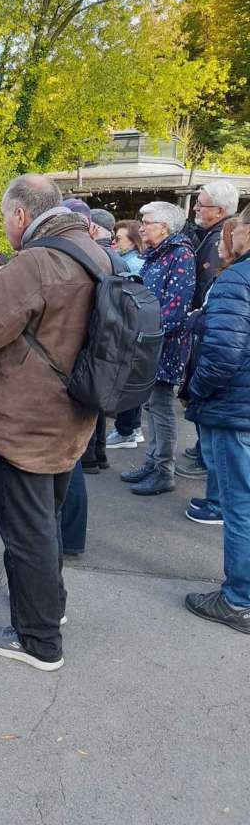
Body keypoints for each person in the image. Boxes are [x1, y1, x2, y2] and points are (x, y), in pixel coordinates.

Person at [0, 174, 113, 671]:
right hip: (71, 415)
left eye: (6, 217)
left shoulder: (35, 262)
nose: (6, 227)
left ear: (21, 215)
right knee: (45, 521)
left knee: (27, 532)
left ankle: (39, 640)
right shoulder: (92, 251)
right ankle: (50, 606)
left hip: (25, 424)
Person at [184, 204, 250, 634]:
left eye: (238, 227)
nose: (232, 233)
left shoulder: (237, 280)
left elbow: (224, 355)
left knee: (239, 505)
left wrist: (197, 389)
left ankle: (239, 600)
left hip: (235, 411)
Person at [121, 202, 195, 496]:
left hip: (163, 346)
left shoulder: (180, 254)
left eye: (146, 222)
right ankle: (153, 462)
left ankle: (163, 471)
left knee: (161, 407)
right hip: (150, 342)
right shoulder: (159, 253)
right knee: (152, 406)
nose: (141, 228)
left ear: (164, 227)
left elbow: (175, 310)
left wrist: (143, 334)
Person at [176, 181, 240, 482]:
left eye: (201, 205)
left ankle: (207, 458)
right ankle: (205, 454)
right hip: (207, 328)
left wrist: (197, 319)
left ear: (220, 210)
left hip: (209, 332)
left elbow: (211, 295)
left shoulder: (222, 239)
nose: (196, 209)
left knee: (208, 397)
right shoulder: (209, 235)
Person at [183, 216, 239, 525]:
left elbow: (225, 341)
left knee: (224, 453)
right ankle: (216, 500)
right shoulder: (227, 278)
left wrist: (199, 387)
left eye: (221, 241)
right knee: (219, 451)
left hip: (225, 389)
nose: (216, 246)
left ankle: (218, 505)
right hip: (225, 385)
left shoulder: (233, 281)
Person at [81, 209, 127, 474]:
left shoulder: (92, 257)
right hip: (115, 336)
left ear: (93, 229)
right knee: (99, 398)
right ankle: (99, 452)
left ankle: (88, 456)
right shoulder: (118, 258)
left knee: (86, 399)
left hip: (96, 335)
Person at [105, 219, 147, 449]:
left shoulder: (132, 265)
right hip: (134, 330)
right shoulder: (133, 262)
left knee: (128, 382)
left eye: (119, 238)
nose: (115, 242)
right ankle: (131, 429)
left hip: (131, 331)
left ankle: (127, 431)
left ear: (133, 241)